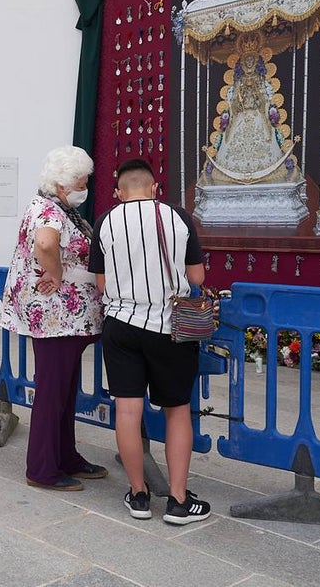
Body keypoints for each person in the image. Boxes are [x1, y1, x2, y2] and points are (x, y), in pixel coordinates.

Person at [87, 159, 211, 525]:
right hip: (169, 327)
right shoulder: (178, 217)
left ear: (119, 192)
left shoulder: (105, 221)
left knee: (128, 411)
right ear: (155, 188)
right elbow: (197, 276)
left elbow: (101, 284)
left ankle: (139, 495)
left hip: (121, 325)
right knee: (177, 410)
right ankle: (178, 500)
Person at [0, 146, 105, 491]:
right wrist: (56, 273)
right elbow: (46, 244)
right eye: (81, 183)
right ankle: (42, 468)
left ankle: (65, 456)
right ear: (62, 185)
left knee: (63, 390)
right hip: (56, 317)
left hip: (63, 318)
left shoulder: (55, 206)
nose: (85, 188)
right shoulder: (49, 210)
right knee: (52, 392)